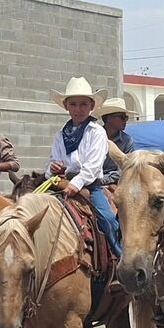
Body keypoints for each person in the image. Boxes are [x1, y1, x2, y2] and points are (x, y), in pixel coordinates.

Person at [47, 77, 121, 260]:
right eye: (73, 104)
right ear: (66, 106)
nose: (78, 109)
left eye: (83, 104)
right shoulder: (60, 135)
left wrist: (76, 184)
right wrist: (53, 168)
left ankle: (118, 256)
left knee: (108, 220)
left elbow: (93, 166)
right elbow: (51, 161)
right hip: (61, 183)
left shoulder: (96, 132)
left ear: (91, 106)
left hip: (90, 185)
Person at [96, 97, 137, 186]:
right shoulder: (93, 136)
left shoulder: (127, 141)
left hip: (115, 183)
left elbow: (127, 168)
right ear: (109, 118)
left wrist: (104, 180)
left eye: (126, 118)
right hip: (90, 179)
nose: (125, 121)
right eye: (123, 117)